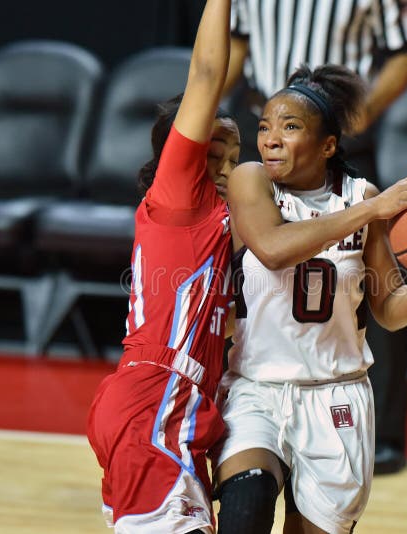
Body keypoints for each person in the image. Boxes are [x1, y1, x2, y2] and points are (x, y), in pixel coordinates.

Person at [214, 64, 407, 534]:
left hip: (336, 396)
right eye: (264, 127)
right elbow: (274, 249)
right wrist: (372, 210)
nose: (270, 139)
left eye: (290, 127)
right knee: (247, 505)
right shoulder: (251, 180)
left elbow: (388, 307)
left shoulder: (361, 196)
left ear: (327, 146)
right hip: (256, 389)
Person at [222, 0, 407, 474]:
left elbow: (405, 51)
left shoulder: (361, 188)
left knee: (367, 281)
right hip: (263, 115)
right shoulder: (252, 169)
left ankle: (384, 435)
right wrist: (207, 107)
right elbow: (234, 43)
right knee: (244, 274)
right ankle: (245, 412)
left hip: (334, 128)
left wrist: (360, 113)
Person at [85, 0, 240, 532]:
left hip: (169, 404)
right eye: (213, 154)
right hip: (156, 399)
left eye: (233, 159)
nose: (225, 168)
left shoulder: (225, 223)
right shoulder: (177, 194)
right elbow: (207, 75)